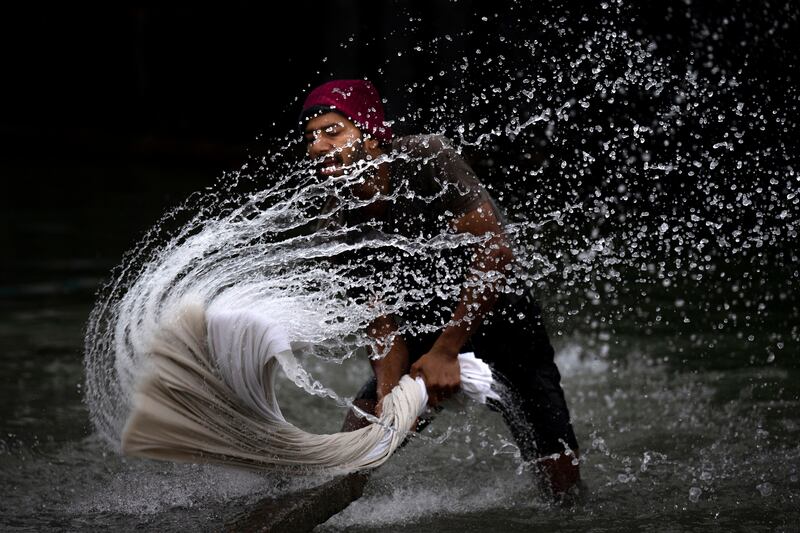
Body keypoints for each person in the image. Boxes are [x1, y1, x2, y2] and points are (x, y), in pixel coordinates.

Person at [299, 78, 580, 515]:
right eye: (311, 136)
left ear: (371, 136)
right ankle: (314, 512)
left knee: (559, 481)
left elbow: (495, 249)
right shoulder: (334, 220)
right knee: (358, 442)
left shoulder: (425, 157)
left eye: (332, 131)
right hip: (421, 335)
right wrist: (393, 399)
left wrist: (448, 351)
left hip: (500, 319)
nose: (316, 147)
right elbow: (381, 323)